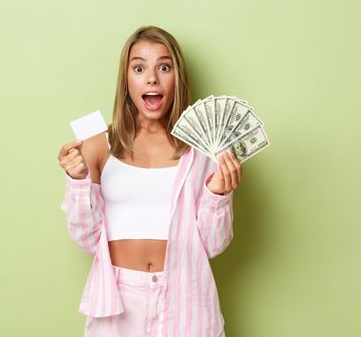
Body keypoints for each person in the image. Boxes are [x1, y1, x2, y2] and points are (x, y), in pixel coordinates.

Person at [58, 25, 242, 337]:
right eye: (139, 68)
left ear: (177, 78)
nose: (152, 78)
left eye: (164, 67)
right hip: (118, 299)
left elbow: (212, 246)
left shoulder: (204, 150)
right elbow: (87, 240)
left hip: (187, 297)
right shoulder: (98, 145)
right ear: (126, 79)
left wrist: (218, 196)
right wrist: (77, 183)